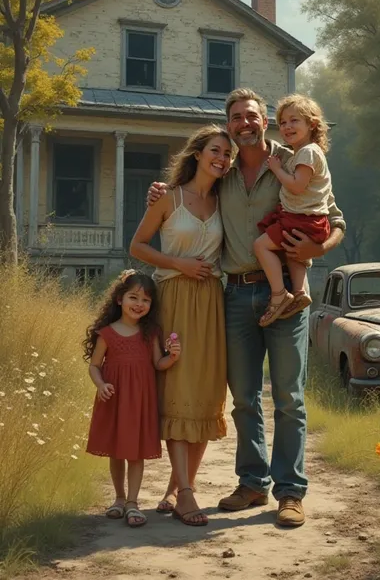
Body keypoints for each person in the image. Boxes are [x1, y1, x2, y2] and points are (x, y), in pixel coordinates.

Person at [148, 88, 345, 528]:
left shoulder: (295, 160)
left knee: (290, 398)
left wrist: (320, 245)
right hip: (234, 295)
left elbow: (335, 219)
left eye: (252, 115)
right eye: (236, 117)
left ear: (264, 121)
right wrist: (160, 192)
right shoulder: (224, 171)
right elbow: (188, 192)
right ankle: (252, 483)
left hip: (289, 296)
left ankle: (290, 492)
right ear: (230, 124)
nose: (244, 123)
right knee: (243, 399)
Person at [130, 124, 232, 527]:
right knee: (177, 390)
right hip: (173, 300)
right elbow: (137, 245)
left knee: (206, 393)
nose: (221, 158)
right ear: (197, 153)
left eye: (227, 154)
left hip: (211, 303)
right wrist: (180, 264)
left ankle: (176, 486)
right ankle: (188, 493)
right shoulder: (168, 198)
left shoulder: (227, 200)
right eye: (215, 150)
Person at [84, 270, 181, 528]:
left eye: (146, 300)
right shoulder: (106, 333)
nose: (139, 304)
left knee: (135, 452)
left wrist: (171, 357)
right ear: (119, 299)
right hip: (114, 398)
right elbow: (94, 366)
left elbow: (158, 364)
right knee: (115, 451)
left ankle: (133, 503)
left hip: (139, 401)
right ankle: (118, 498)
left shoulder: (150, 333)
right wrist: (101, 384)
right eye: (133, 297)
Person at [254, 94, 333, 327]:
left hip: (300, 218)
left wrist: (276, 169)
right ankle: (299, 292)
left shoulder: (308, 152)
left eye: (294, 121)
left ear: (312, 124)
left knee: (260, 245)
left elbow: (297, 186)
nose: (287, 126)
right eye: (283, 122)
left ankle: (279, 294)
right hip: (312, 221)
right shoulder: (306, 152)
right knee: (293, 252)